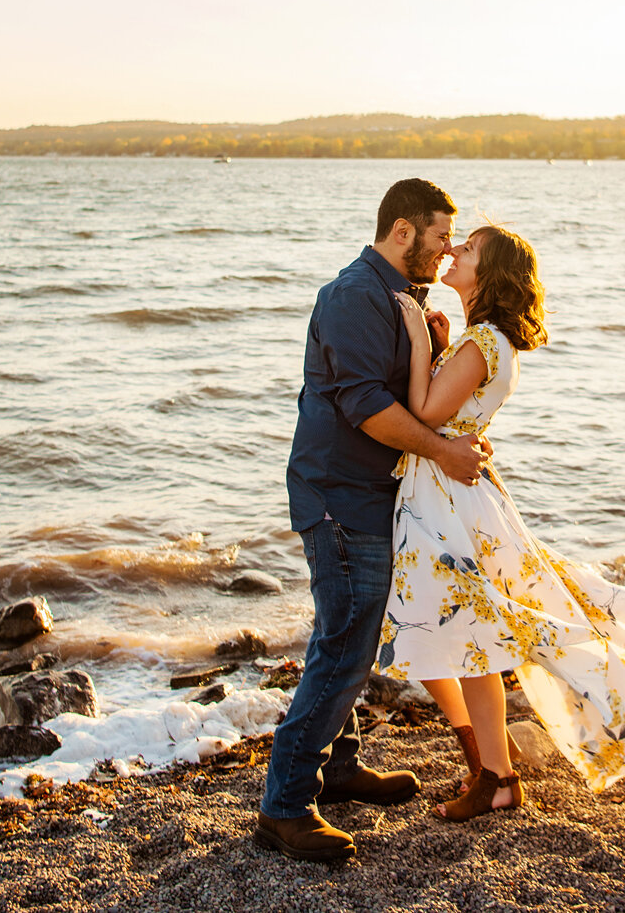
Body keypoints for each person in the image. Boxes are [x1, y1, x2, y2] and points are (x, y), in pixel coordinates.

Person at [380, 225, 625, 821]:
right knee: (457, 635)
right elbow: (452, 409)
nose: (452, 251)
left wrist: (419, 340)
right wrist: (442, 342)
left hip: (448, 500)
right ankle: (487, 766)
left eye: (467, 249)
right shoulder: (484, 340)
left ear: (491, 275)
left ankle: (496, 777)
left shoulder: (483, 342)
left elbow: (424, 412)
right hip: (451, 494)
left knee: (469, 638)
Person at [254, 178, 494, 865]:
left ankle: (338, 766)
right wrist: (445, 452)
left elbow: (405, 394)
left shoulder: (404, 296)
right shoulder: (355, 295)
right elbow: (364, 406)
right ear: (402, 232)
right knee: (345, 642)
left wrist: (437, 345)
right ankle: (285, 804)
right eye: (441, 234)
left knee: (355, 632)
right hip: (337, 495)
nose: (448, 247)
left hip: (371, 492)